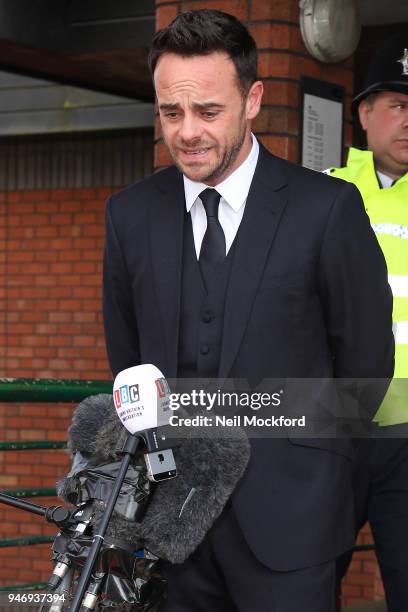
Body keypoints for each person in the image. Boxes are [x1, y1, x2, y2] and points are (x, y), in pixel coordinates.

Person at [103, 10, 394, 612]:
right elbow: (128, 361)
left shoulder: (328, 209)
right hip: (172, 535)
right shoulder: (128, 216)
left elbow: (363, 374)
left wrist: (317, 482)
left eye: (208, 111)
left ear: (253, 99)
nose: (186, 132)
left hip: (295, 528)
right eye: (170, 112)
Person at [328, 34, 408, 611]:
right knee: (305, 575)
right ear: (364, 112)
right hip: (335, 429)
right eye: (399, 106)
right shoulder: (323, 194)